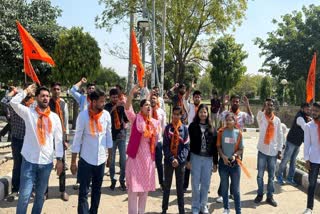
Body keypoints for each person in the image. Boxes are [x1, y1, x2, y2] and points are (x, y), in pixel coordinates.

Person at [10, 84, 63, 214]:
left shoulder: (54, 118)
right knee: (24, 196)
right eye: (42, 96)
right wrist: (26, 91)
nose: (45, 98)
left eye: (47, 96)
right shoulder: (29, 113)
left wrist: (60, 159)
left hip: (46, 163)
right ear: (37, 98)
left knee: (40, 197)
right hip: (29, 161)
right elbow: (13, 102)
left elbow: (58, 139)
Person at [71, 89, 113, 214]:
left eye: (104, 101)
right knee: (83, 192)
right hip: (86, 160)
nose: (103, 104)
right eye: (101, 101)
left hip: (100, 160)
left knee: (97, 191)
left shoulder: (106, 115)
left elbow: (109, 137)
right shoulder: (83, 116)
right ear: (93, 102)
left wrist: (109, 157)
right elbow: (77, 139)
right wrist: (73, 161)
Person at [125, 85, 160, 214]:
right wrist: (131, 94)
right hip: (135, 158)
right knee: (134, 190)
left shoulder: (154, 123)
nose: (148, 106)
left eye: (150, 104)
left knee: (144, 191)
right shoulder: (135, 119)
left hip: (147, 160)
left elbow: (155, 141)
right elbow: (127, 108)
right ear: (140, 108)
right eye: (145, 104)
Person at [1, 84, 35, 202]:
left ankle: (31, 188)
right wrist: (15, 91)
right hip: (17, 139)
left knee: (30, 165)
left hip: (31, 140)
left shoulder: (33, 105)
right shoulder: (15, 105)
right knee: (18, 165)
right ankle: (16, 189)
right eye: (29, 90)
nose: (31, 92)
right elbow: (4, 101)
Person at [217, 94, 254, 203]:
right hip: (226, 146)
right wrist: (223, 104)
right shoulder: (227, 114)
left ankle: (233, 193)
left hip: (237, 148)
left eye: (237, 101)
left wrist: (247, 105)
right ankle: (222, 193)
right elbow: (219, 116)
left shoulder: (242, 114)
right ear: (231, 102)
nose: (235, 103)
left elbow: (251, 120)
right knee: (224, 170)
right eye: (233, 101)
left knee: (234, 171)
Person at [188, 104, 218, 214]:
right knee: (195, 184)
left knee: (206, 184)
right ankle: (195, 206)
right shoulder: (192, 126)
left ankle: (203, 205)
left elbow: (215, 146)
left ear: (208, 113)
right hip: (195, 157)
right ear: (198, 113)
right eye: (201, 112)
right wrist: (188, 160)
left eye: (205, 112)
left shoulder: (212, 128)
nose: (203, 114)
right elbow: (189, 144)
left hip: (208, 159)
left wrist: (215, 162)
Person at [254, 98, 283, 207]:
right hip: (262, 150)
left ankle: (270, 197)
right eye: (267, 105)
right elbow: (258, 115)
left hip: (273, 152)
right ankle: (260, 194)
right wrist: (263, 107)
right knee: (260, 176)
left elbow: (280, 136)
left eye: (271, 105)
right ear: (265, 106)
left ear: (273, 107)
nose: (269, 106)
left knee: (271, 176)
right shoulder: (261, 118)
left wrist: (279, 150)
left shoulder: (277, 120)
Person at [162, 106, 189, 214]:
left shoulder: (185, 129)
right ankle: (164, 209)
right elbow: (165, 146)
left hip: (180, 163)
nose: (176, 116)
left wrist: (179, 159)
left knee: (180, 188)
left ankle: (181, 210)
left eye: (179, 114)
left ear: (181, 115)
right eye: (175, 114)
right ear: (172, 114)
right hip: (169, 162)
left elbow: (186, 147)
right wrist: (172, 158)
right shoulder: (168, 128)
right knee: (167, 186)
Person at [70, 77, 96, 190]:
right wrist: (81, 82)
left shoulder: (97, 101)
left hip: (93, 133)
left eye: (93, 88)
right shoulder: (82, 99)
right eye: (89, 88)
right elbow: (71, 91)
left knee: (92, 158)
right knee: (82, 158)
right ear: (87, 90)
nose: (91, 90)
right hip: (83, 133)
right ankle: (80, 180)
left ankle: (90, 182)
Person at [277, 103, 311, 186]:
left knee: (293, 161)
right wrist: (312, 123)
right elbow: (305, 128)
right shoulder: (300, 117)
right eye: (307, 109)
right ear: (302, 109)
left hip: (298, 143)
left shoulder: (305, 117)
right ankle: (279, 177)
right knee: (285, 159)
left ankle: (290, 178)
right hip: (291, 142)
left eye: (308, 109)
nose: (308, 111)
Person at [46, 82, 70, 201]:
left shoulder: (63, 103)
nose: (56, 91)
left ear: (60, 91)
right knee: (46, 164)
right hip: (48, 137)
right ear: (51, 90)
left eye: (58, 89)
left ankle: (62, 190)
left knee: (61, 164)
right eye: (54, 89)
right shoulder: (46, 102)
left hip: (60, 137)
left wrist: (66, 139)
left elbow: (65, 121)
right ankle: (44, 191)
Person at [217, 113, 243, 214]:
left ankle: (238, 211)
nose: (228, 122)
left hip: (235, 165)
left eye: (230, 120)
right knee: (224, 187)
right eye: (226, 120)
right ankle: (226, 208)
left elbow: (241, 149)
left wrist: (235, 155)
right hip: (223, 165)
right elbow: (218, 146)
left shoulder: (239, 133)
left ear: (234, 121)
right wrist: (223, 156)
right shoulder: (221, 132)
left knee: (236, 190)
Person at [105, 88, 129, 191]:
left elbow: (127, 119)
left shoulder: (121, 107)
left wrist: (126, 123)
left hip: (122, 136)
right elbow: (106, 115)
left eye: (116, 97)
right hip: (111, 137)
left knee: (123, 160)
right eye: (113, 97)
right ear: (110, 97)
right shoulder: (107, 106)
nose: (115, 99)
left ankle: (122, 181)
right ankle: (112, 180)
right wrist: (115, 106)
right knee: (112, 159)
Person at [302, 102, 320, 214]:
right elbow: (307, 144)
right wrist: (306, 159)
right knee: (312, 184)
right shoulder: (309, 126)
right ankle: (309, 208)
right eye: (312, 110)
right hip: (313, 159)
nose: (313, 112)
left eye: (316, 111)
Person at [184, 90, 202, 192]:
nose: (197, 98)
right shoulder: (189, 107)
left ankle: (200, 184)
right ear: (193, 98)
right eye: (195, 97)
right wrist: (189, 89)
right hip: (190, 138)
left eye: (198, 97)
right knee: (188, 161)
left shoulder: (202, 108)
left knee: (199, 163)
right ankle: (185, 185)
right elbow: (185, 99)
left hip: (200, 139)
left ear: (201, 98)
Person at [150, 93, 166, 190]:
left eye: (154, 98)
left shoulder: (161, 112)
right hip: (148, 142)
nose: (152, 100)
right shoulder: (147, 111)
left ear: (157, 100)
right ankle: (148, 183)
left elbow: (163, 126)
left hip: (158, 141)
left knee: (159, 163)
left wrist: (160, 136)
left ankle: (161, 183)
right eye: (151, 98)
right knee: (149, 164)